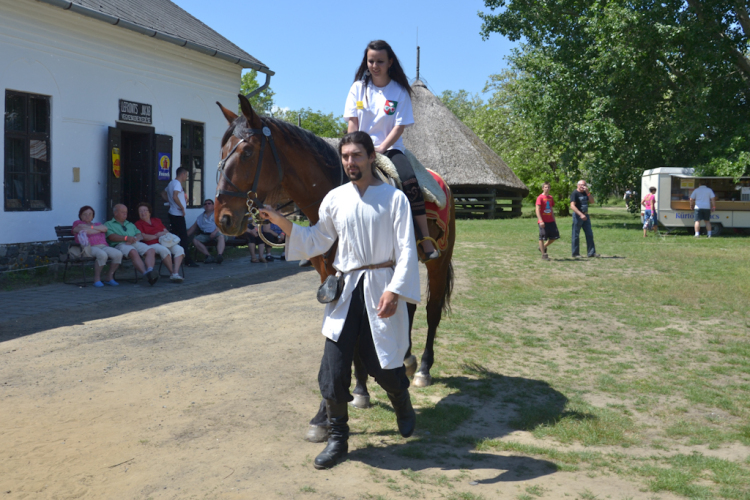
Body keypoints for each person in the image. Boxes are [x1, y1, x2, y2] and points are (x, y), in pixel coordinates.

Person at [259, 132, 421, 470]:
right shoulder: (334, 198)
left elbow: (407, 249)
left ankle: (401, 400)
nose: (350, 162)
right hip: (346, 291)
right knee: (332, 371)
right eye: (345, 156)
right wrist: (281, 222)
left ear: (370, 157)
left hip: (381, 288)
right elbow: (318, 238)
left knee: (385, 368)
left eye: (356, 156)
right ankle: (338, 438)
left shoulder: (395, 200)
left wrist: (395, 289)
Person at [344, 39, 439, 261]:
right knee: (330, 177)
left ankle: (425, 239)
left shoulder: (399, 91)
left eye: (379, 61)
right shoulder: (358, 88)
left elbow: (399, 127)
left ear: (390, 62)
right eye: (370, 61)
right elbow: (352, 123)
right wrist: (353, 148)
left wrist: (380, 149)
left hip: (390, 148)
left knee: (409, 180)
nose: (374, 65)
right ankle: (319, 239)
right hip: (359, 149)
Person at [105, 204, 159, 285]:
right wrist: (126, 238)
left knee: (151, 250)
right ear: (115, 213)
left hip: (133, 242)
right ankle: (146, 275)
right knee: (133, 251)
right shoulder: (109, 224)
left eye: (126, 212)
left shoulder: (130, 224)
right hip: (120, 244)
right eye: (123, 212)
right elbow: (112, 237)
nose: (125, 214)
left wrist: (134, 238)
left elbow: (139, 234)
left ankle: (150, 271)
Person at [71, 205, 122, 287]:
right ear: (80, 215)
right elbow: (82, 230)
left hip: (103, 246)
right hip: (89, 247)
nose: (87, 216)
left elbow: (105, 228)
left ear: (93, 216)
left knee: (118, 254)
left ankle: (109, 277)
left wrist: (91, 227)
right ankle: (97, 279)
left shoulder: (97, 223)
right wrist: (97, 229)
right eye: (85, 214)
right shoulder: (77, 223)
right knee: (102, 254)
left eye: (90, 214)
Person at [135, 202, 185, 282]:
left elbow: (166, 231)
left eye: (145, 210)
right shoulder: (138, 224)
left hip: (164, 241)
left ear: (149, 212)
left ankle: (176, 272)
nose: (143, 213)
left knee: (179, 249)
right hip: (151, 244)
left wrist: (160, 234)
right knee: (164, 250)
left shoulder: (156, 220)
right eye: (140, 211)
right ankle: (172, 273)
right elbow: (144, 237)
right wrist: (157, 236)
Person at [165, 167, 198, 267]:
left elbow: (163, 193)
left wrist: (170, 203)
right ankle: (187, 259)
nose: (186, 177)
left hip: (172, 212)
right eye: (186, 175)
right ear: (182, 174)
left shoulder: (171, 183)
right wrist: (181, 207)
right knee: (183, 237)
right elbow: (175, 196)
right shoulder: (177, 184)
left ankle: (173, 257)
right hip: (178, 214)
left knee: (174, 236)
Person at [187, 199, 225, 264]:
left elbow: (222, 225)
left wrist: (214, 232)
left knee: (221, 237)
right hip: (205, 234)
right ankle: (208, 256)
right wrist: (183, 237)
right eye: (205, 204)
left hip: (217, 232)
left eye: (209, 203)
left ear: (213, 205)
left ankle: (219, 255)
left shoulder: (218, 214)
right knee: (195, 240)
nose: (207, 205)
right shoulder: (200, 217)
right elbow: (193, 228)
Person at [570, 180, 599, 258]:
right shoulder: (575, 193)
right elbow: (572, 206)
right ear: (578, 185)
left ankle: (591, 252)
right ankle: (575, 253)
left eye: (584, 185)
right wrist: (580, 214)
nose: (583, 186)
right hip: (577, 216)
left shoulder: (586, 193)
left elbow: (592, 201)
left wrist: (588, 192)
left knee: (589, 234)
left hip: (586, 216)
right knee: (575, 235)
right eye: (581, 185)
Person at [535, 182, 559, 259]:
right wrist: (541, 220)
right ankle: (544, 255)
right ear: (543, 188)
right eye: (545, 187)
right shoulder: (540, 197)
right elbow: (537, 209)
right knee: (542, 237)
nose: (547, 189)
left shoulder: (551, 198)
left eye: (548, 187)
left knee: (554, 237)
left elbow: (551, 209)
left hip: (551, 221)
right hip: (543, 221)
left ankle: (542, 247)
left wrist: (554, 220)